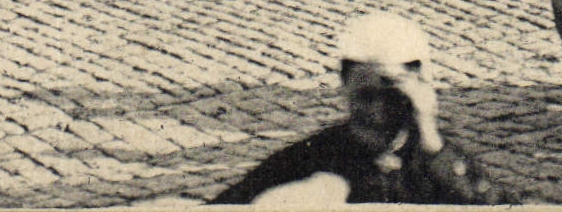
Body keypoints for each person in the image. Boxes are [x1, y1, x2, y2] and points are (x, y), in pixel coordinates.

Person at [209, 13, 509, 205]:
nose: (377, 112)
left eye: (393, 98)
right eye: (365, 96)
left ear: (420, 91)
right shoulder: (313, 158)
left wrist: (432, 144)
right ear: (344, 88)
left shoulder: (437, 163)